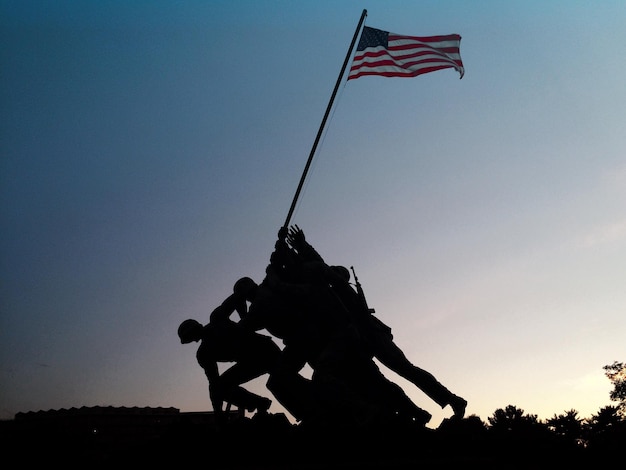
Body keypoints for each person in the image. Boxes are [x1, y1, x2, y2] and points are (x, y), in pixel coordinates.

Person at [283, 225, 467, 420]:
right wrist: (294, 249)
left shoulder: (342, 287)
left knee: (405, 369)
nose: (331, 271)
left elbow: (320, 266)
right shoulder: (331, 290)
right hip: (359, 340)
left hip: (371, 334)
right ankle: (412, 412)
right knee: (375, 380)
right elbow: (315, 269)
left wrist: (303, 247)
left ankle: (452, 400)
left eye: (335, 271)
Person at [177, 292, 280, 425]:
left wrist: (245, 321)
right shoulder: (204, 353)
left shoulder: (216, 321)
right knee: (222, 387)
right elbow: (215, 385)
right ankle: (260, 403)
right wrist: (218, 414)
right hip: (254, 361)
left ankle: (260, 403)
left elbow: (238, 296)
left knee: (283, 381)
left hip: (265, 351)